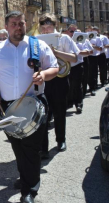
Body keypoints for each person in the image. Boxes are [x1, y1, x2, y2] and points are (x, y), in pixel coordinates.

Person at [0, 11, 58, 203]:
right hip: (8, 106)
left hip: (35, 104)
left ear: (26, 25)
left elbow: (55, 68)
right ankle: (26, 176)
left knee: (31, 149)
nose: (18, 27)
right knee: (18, 146)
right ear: (7, 27)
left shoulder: (38, 45)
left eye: (21, 23)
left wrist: (43, 74)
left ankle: (29, 191)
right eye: (14, 24)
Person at [38, 14, 79, 155]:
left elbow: (74, 58)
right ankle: (43, 148)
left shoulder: (64, 38)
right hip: (43, 79)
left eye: (49, 27)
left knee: (59, 112)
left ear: (55, 26)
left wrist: (56, 53)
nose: (46, 30)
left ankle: (61, 139)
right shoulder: (37, 39)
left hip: (60, 79)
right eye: (43, 27)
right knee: (43, 115)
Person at [65, 25, 92, 114]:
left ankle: (79, 104)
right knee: (68, 86)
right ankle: (69, 103)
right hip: (66, 66)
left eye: (75, 31)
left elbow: (89, 52)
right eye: (71, 31)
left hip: (77, 65)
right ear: (68, 32)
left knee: (77, 86)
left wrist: (78, 52)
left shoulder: (82, 41)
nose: (73, 33)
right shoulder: (64, 40)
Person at [88, 27, 103, 96]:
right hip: (86, 56)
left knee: (93, 73)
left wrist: (93, 46)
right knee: (86, 74)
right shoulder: (86, 37)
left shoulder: (98, 38)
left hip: (93, 57)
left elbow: (100, 48)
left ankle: (93, 88)